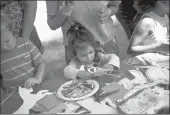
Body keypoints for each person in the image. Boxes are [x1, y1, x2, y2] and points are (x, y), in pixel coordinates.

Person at [46, 1, 121, 64]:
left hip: (107, 42)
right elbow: (52, 24)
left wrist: (109, 11)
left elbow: (114, 5)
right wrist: (68, 7)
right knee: (82, 81)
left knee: (114, 78)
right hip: (77, 49)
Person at [0, 12, 45, 89]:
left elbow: (40, 62)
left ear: (13, 32)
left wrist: (37, 78)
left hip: (32, 88)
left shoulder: (26, 44)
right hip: (12, 94)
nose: (3, 47)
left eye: (7, 41)